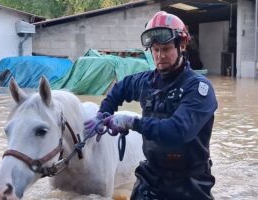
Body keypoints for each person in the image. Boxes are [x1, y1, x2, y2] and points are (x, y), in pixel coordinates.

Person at [84, 11, 217, 200]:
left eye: (166, 48)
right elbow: (119, 89)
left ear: (182, 45)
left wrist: (131, 122)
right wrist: (102, 114)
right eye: (155, 50)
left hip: (190, 180)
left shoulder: (199, 88)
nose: (160, 56)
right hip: (152, 175)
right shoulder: (146, 81)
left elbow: (178, 132)